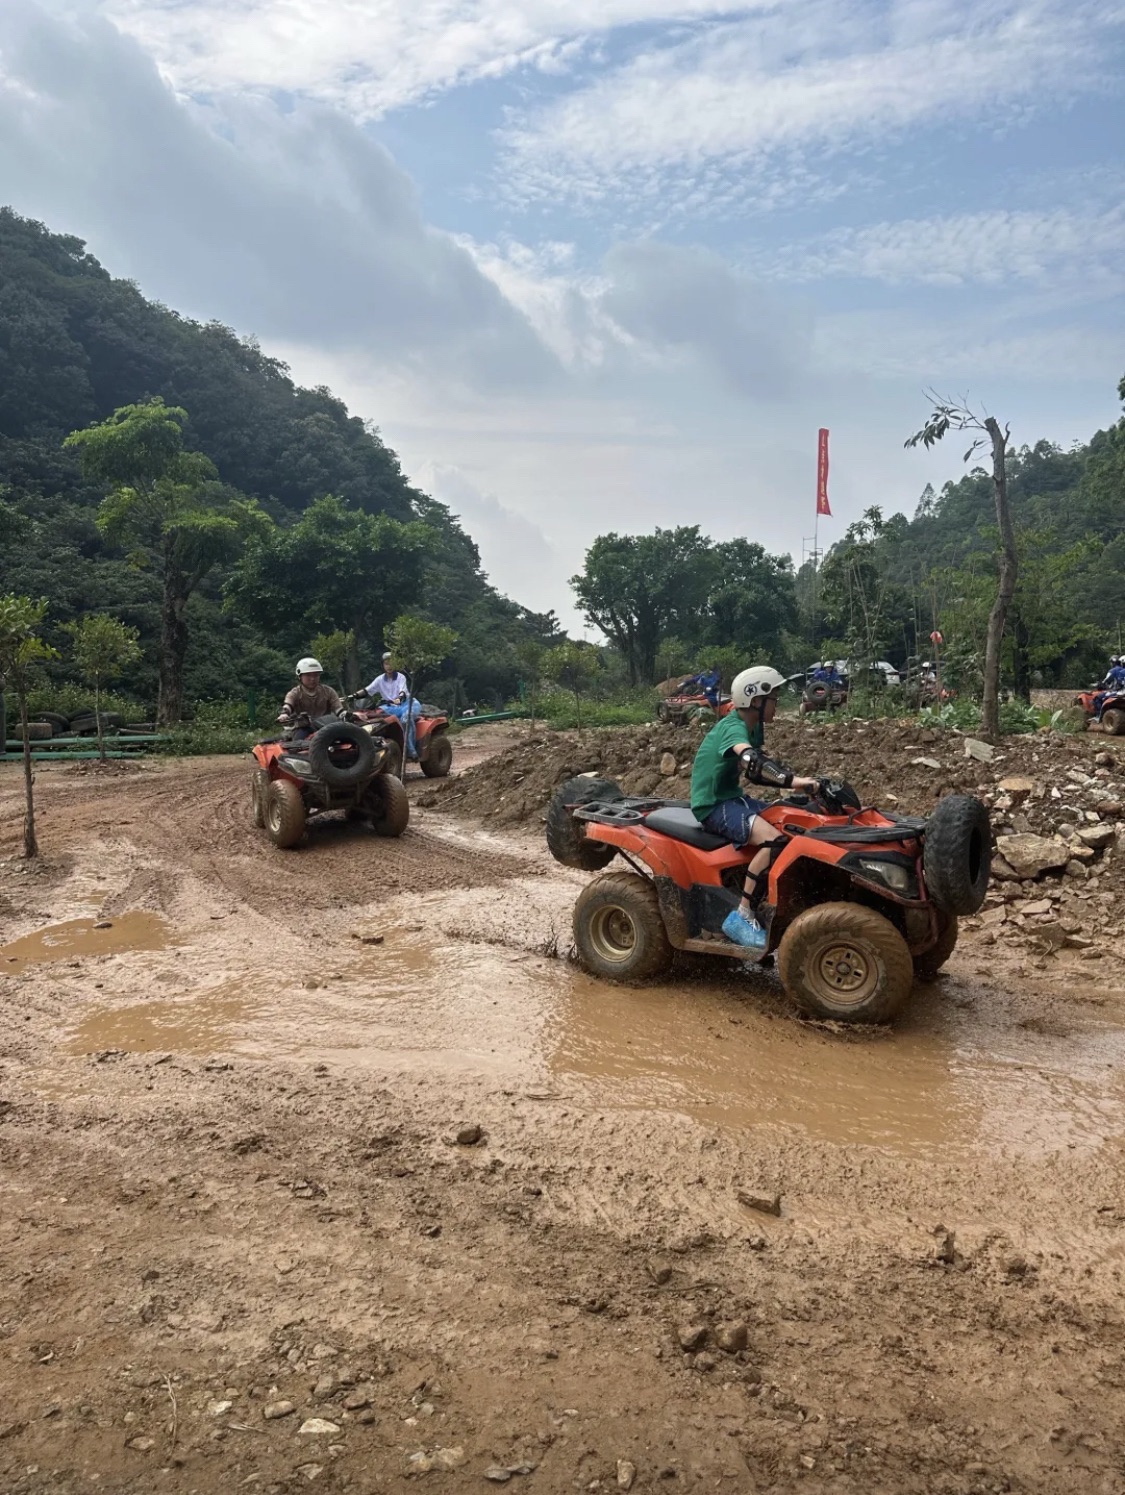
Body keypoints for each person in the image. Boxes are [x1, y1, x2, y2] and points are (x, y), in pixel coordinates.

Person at [690, 665, 819, 951]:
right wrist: (793, 780)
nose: (777, 703)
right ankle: (742, 914)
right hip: (713, 804)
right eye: (773, 698)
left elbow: (757, 767)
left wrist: (795, 785)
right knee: (775, 840)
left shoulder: (754, 725)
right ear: (756, 700)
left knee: (789, 820)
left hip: (733, 797)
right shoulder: (733, 725)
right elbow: (750, 760)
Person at [279, 657, 343, 738]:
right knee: (298, 742)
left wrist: (347, 715)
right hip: (303, 728)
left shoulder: (329, 691)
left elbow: (339, 709)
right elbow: (288, 705)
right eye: (308, 675)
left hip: (326, 726)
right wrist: (284, 714)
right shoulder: (294, 693)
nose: (312, 679)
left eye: (316, 675)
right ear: (300, 676)